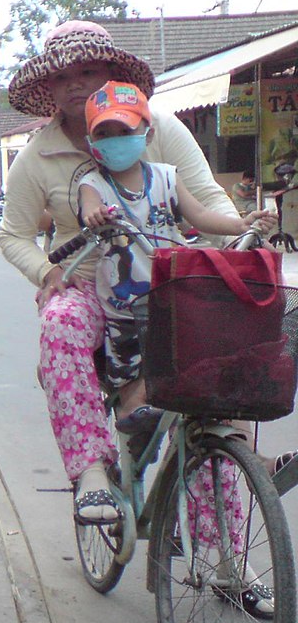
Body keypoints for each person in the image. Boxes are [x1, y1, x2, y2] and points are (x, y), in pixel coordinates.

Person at [0, 20, 245, 521]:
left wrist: (236, 248)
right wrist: (46, 274)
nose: (74, 84)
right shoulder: (36, 156)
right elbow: (13, 235)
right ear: (47, 87)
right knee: (60, 321)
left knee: (213, 400)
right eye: (62, 76)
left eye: (87, 71)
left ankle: (228, 566)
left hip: (169, 277)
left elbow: (206, 200)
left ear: (113, 74)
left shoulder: (160, 129)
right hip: (89, 284)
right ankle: (90, 469)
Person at [74, 82, 275, 520]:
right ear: (92, 144)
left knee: (218, 373)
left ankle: (254, 459)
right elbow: (88, 206)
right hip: (126, 311)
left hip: (175, 297)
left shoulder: (166, 175)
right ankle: (132, 423)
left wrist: (243, 221)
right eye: (103, 134)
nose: (114, 141)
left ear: (146, 132)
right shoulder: (93, 184)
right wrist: (95, 219)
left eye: (123, 131)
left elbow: (199, 215)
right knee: (138, 397)